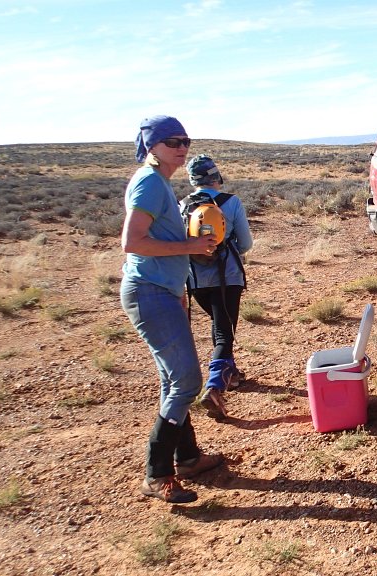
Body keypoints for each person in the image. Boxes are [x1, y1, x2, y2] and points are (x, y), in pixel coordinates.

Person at [121, 115, 223, 503]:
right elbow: (133, 242)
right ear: (152, 146)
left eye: (185, 140)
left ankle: (188, 458)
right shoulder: (149, 183)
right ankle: (156, 473)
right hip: (149, 293)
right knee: (185, 382)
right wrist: (191, 248)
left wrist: (178, 285)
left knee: (172, 381)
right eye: (172, 141)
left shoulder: (158, 181)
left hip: (161, 291)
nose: (181, 147)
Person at [181, 155, 253, 420]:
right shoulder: (230, 202)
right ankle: (214, 386)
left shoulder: (183, 205)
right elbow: (245, 244)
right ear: (216, 177)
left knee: (218, 325)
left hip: (195, 281)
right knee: (224, 331)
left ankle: (230, 374)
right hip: (227, 278)